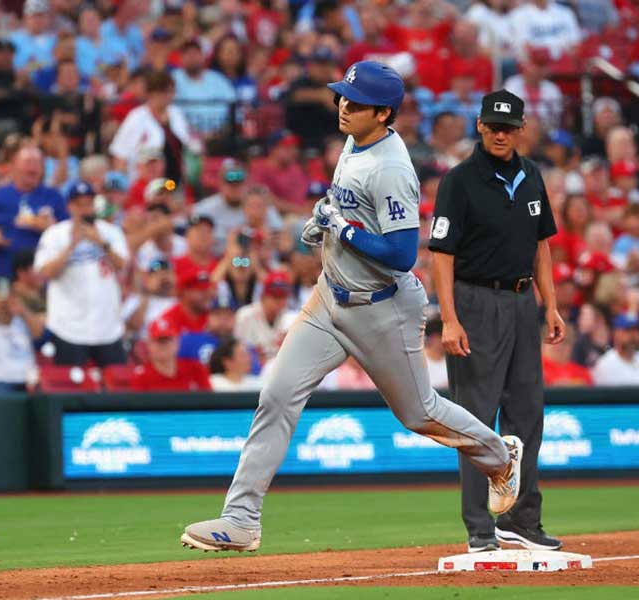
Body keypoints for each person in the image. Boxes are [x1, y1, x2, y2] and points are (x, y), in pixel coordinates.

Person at [181, 61, 523, 554]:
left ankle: (499, 456)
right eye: (343, 96)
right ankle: (241, 519)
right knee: (276, 395)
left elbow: (404, 253)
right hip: (329, 297)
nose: (344, 105)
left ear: (384, 114)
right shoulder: (354, 141)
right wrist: (326, 217)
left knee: (420, 413)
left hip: (381, 307)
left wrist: (341, 229)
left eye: (356, 102)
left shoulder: (390, 167)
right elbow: (346, 201)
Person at [429, 90, 564, 553]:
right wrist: (448, 318)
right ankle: (479, 527)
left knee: (528, 414)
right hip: (474, 301)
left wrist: (551, 304)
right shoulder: (460, 181)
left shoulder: (531, 175)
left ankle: (523, 519)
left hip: (523, 300)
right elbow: (441, 255)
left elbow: (541, 244)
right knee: (475, 419)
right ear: (480, 126)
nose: (501, 133)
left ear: (521, 128)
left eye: (509, 126)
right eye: (493, 125)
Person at [33, 181, 129, 367]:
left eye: (88, 203)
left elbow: (122, 265)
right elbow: (45, 272)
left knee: (116, 389)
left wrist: (101, 243)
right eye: (79, 204)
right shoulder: (55, 234)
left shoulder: (110, 232)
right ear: (70, 206)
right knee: (72, 391)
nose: (84, 209)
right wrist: (71, 246)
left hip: (107, 327)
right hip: (69, 328)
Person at [0, 146, 68, 279]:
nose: (34, 167)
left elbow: (68, 234)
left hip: (42, 275)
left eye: (38, 163)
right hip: (4, 273)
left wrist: (49, 228)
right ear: (14, 166)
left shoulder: (54, 196)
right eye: (28, 162)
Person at [129, 318, 212, 392]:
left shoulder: (196, 369)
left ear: (177, 342)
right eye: (158, 341)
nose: (163, 345)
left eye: (167, 340)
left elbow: (209, 402)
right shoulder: (141, 376)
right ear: (148, 344)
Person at [592, 314, 639, 386]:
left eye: (636, 330)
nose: (633, 335)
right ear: (616, 333)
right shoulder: (604, 364)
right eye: (628, 330)